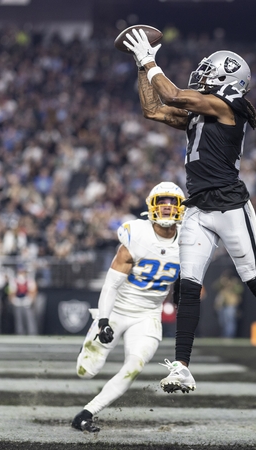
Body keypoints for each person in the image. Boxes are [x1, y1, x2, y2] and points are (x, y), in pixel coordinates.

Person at [124, 29, 256, 395]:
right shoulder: (199, 112)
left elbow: (171, 94)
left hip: (231, 204)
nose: (201, 75)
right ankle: (183, 367)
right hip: (198, 207)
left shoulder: (225, 106)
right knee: (187, 286)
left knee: (254, 280)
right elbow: (152, 108)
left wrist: (149, 60)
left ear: (227, 78)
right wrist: (142, 68)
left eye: (209, 71)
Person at [72, 182, 184, 433]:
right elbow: (111, 285)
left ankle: (87, 412)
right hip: (118, 309)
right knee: (85, 371)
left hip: (148, 314)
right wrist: (103, 320)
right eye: (162, 202)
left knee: (134, 365)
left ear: (181, 208)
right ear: (151, 206)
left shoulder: (190, 239)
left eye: (172, 202)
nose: (167, 208)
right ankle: (90, 340)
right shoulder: (137, 235)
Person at [212, 270, 244, 338]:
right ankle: (225, 335)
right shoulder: (221, 283)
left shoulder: (235, 282)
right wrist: (221, 282)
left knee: (230, 321)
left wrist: (232, 285)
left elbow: (240, 290)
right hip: (222, 305)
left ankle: (229, 336)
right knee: (222, 321)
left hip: (231, 305)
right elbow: (214, 287)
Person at [10, 266, 38, 336]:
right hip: (18, 301)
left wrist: (30, 299)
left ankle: (32, 332)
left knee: (29, 317)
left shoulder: (29, 280)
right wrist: (13, 300)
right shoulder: (14, 280)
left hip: (26, 300)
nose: (21, 273)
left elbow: (33, 290)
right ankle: (20, 333)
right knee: (18, 319)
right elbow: (11, 291)